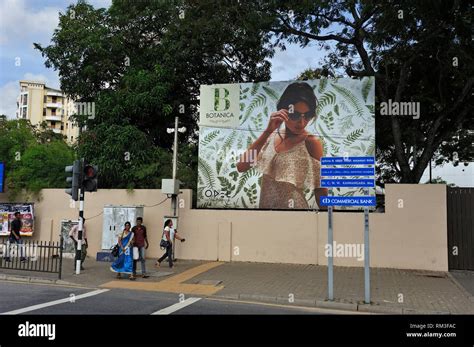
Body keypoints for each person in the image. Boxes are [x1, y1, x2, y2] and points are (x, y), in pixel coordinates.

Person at [237, 82, 328, 209]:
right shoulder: (271, 136)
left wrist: (331, 224)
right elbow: (242, 166)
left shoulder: (311, 142)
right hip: (266, 216)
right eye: (295, 115)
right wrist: (267, 131)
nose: (301, 122)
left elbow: (321, 192)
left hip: (296, 217)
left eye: (307, 116)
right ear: (283, 110)